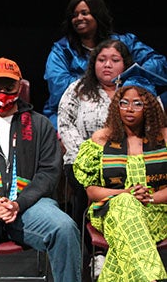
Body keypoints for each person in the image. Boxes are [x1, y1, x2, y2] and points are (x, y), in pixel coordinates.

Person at [0, 57, 82, 282]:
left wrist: (17, 203)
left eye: (9, 85)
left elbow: (49, 173)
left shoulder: (40, 123)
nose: (2, 91)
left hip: (29, 207)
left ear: (20, 85)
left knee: (65, 228)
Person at [73, 73, 167, 281]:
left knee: (124, 241)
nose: (129, 109)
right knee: (125, 204)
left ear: (149, 107)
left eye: (137, 104)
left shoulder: (164, 138)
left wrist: (149, 198)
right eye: (123, 103)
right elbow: (92, 191)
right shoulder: (101, 140)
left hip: (157, 212)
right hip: (111, 210)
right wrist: (126, 194)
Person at [58, 39, 134, 276]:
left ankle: (120, 252)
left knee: (133, 193)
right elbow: (65, 123)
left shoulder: (135, 91)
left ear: (125, 64)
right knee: (87, 188)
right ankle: (95, 254)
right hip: (83, 160)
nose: (107, 65)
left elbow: (155, 124)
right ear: (94, 64)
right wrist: (88, 155)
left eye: (114, 60)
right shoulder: (78, 89)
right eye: (102, 60)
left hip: (129, 162)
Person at [43, 0, 167, 131]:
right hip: (78, 108)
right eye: (74, 15)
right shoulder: (62, 50)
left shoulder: (123, 42)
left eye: (85, 13)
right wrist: (103, 82)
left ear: (98, 15)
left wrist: (127, 81)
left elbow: (158, 63)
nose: (79, 18)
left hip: (124, 102)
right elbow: (59, 88)